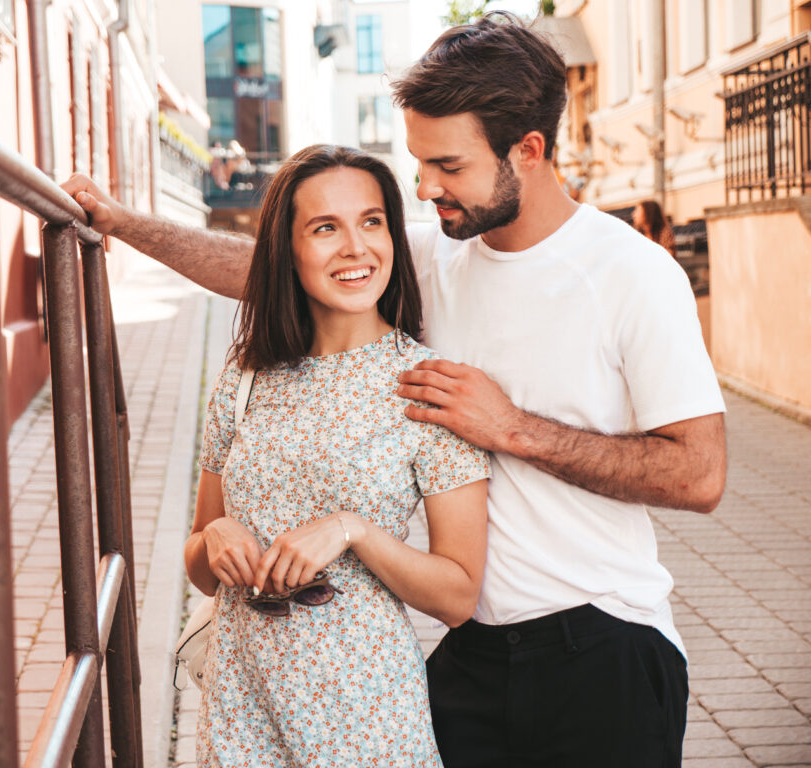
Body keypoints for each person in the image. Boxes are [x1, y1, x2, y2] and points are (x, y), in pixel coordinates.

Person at [62, 14, 727, 767]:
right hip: (467, 652)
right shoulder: (437, 255)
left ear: (529, 151)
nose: (425, 187)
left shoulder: (633, 275)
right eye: (418, 163)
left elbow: (700, 475)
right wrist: (119, 222)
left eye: (447, 165)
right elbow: (270, 266)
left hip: (604, 646)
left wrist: (513, 429)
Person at [183, 144, 490, 767]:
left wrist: (353, 532)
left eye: (372, 221)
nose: (355, 248)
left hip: (368, 714)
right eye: (326, 228)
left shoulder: (426, 385)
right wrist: (215, 535)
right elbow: (198, 565)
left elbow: (458, 596)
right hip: (243, 707)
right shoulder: (245, 376)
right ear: (287, 249)